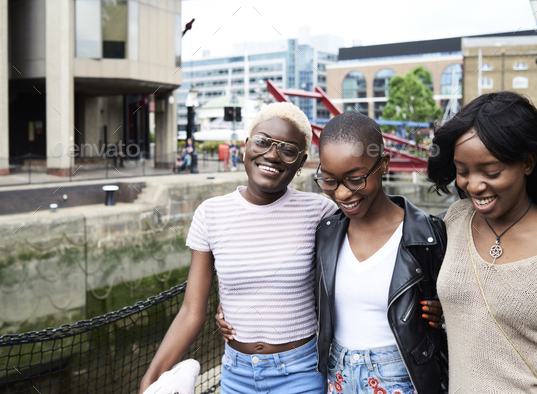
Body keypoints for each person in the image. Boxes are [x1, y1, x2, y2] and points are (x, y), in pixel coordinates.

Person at [217, 112, 447, 394]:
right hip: (335, 374)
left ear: (384, 165)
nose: (342, 194)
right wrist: (234, 306)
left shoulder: (426, 234)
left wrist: (446, 311)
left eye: (355, 179)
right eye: (329, 181)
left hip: (400, 374)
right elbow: (279, 270)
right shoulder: (326, 230)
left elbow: (459, 299)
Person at [139, 102, 339, 394]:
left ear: (301, 162)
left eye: (288, 149)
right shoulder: (210, 214)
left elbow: (351, 280)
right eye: (262, 142)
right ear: (246, 146)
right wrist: (150, 379)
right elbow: (191, 311)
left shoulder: (321, 212)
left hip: (301, 373)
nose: (272, 154)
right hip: (236, 376)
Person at [428, 91, 537, 392]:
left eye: (491, 172)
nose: (473, 185)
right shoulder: (456, 218)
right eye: (462, 172)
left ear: (527, 162)